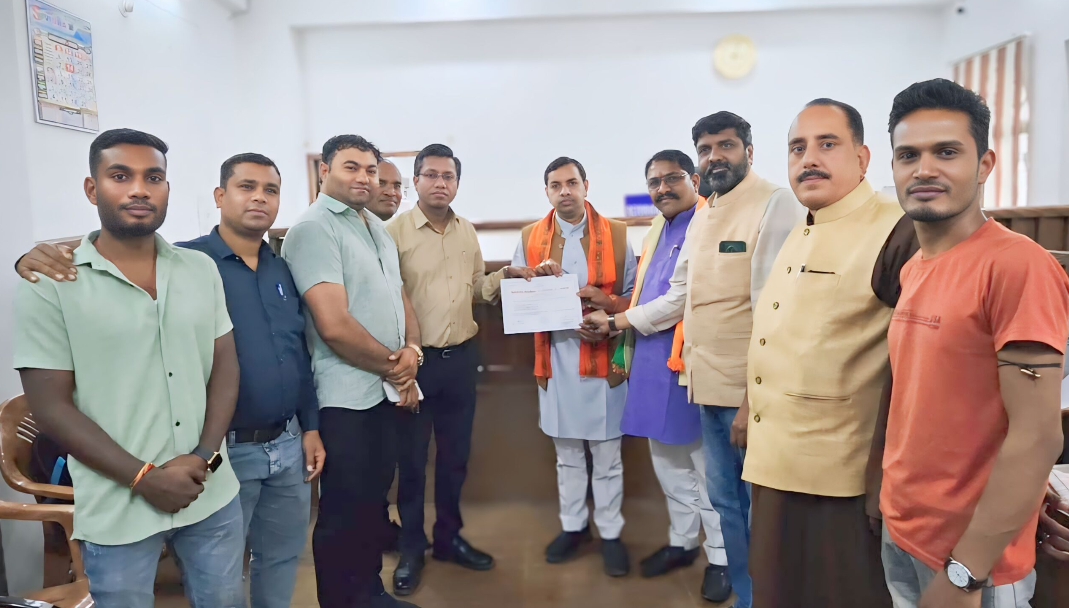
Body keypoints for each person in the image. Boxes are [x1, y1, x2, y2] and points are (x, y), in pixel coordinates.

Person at [15, 152, 327, 608]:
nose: (259, 198)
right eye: (246, 186)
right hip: (215, 454)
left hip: (260, 451)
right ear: (219, 195)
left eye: (271, 190)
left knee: (260, 570)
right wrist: (31, 255)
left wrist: (308, 424)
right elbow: (51, 403)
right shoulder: (194, 260)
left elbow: (290, 352)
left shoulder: (270, 267)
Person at [585, 114, 802, 608]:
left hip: (739, 384)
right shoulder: (693, 217)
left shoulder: (773, 202)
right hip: (687, 370)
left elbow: (774, 306)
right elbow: (675, 291)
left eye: (725, 146)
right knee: (703, 485)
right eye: (706, 149)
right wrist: (616, 318)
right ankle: (703, 557)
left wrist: (754, 395)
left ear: (749, 150)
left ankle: (735, 574)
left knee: (734, 497)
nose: (714, 157)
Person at [878, 78, 1069, 608]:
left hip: (971, 560)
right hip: (906, 529)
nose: (924, 169)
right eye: (908, 155)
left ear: (984, 165)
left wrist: (966, 572)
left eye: (946, 152)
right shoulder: (916, 267)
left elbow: (1037, 436)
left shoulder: (1018, 266)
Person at [744, 99, 918, 608]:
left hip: (839, 476)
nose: (809, 159)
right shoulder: (805, 224)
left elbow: (918, 368)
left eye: (827, 144)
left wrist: (885, 476)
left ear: (862, 159)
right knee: (776, 587)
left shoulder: (897, 229)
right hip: (774, 460)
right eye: (797, 148)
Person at [582, 149, 729, 601]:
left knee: (706, 469)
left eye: (672, 178)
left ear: (695, 180)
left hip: (690, 362)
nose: (662, 188)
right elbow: (646, 293)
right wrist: (613, 309)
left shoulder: (709, 223)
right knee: (667, 463)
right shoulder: (657, 228)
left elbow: (679, 300)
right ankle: (683, 543)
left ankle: (721, 558)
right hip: (649, 358)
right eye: (654, 182)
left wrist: (616, 321)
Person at [281, 134, 421, 608]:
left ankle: (368, 592)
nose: (364, 178)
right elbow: (334, 326)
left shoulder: (374, 225)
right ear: (324, 170)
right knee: (344, 511)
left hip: (382, 389)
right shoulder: (314, 229)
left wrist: (413, 350)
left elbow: (400, 297)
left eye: (371, 170)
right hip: (344, 397)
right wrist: (398, 369)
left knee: (371, 504)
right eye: (351, 167)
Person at [385, 144, 530, 595]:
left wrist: (506, 277)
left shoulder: (466, 230)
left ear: (457, 183)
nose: (440, 183)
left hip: (462, 360)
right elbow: (384, 302)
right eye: (430, 175)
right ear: (415, 181)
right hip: (416, 365)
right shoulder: (392, 233)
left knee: (455, 459)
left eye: (448, 176)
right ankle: (412, 548)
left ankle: (449, 539)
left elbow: (477, 290)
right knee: (412, 463)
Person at [501, 157, 637, 577]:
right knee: (568, 457)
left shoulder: (617, 234)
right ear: (547, 192)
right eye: (556, 185)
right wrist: (535, 281)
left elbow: (635, 296)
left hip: (605, 357)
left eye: (572, 183)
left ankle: (610, 534)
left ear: (585, 186)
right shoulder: (530, 237)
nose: (565, 191)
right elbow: (516, 291)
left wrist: (607, 306)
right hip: (556, 358)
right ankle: (574, 528)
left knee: (607, 456)